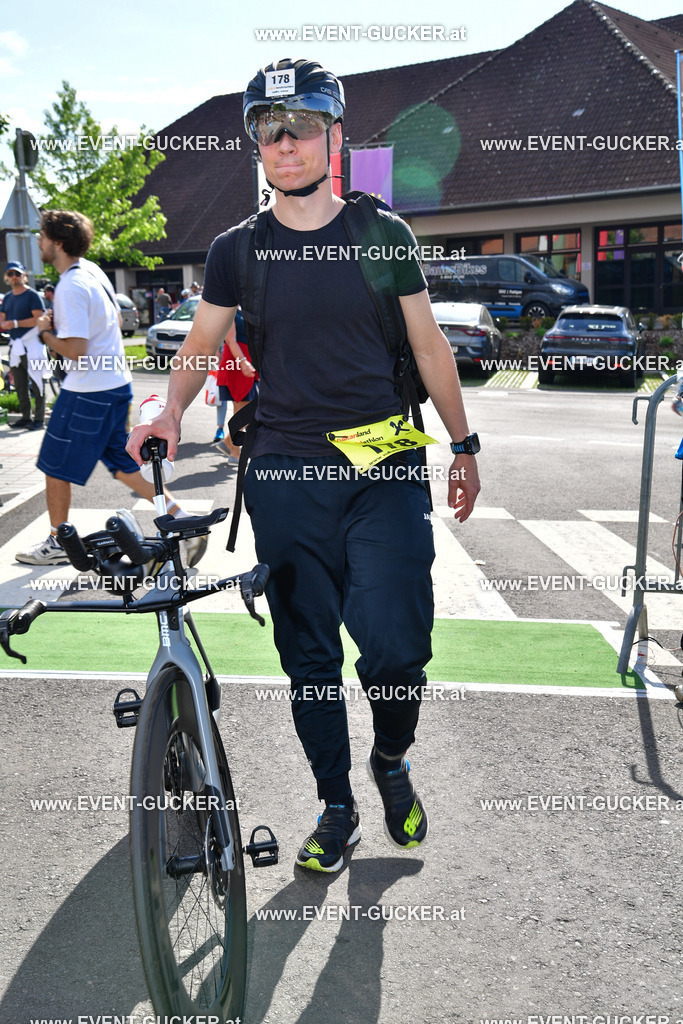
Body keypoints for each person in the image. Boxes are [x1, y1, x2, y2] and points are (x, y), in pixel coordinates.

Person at [126, 58, 480, 874]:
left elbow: (427, 344)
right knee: (309, 655)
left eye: (299, 129)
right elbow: (202, 344)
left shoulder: (379, 234)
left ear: (333, 136)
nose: (282, 145)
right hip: (284, 468)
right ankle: (335, 803)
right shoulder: (234, 249)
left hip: (382, 457)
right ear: (256, 144)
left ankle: (389, 758)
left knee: (395, 646)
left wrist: (462, 447)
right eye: (267, 131)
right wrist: (170, 408)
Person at [15, 209, 207, 569]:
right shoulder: (93, 272)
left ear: (57, 242)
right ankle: (184, 523)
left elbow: (76, 350)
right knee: (123, 466)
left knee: (55, 466)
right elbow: (116, 321)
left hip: (87, 391)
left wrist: (44, 331)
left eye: (41, 236)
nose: (38, 242)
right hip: (115, 386)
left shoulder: (71, 284)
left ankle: (58, 541)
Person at [0, 261, 46, 430]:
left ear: (23, 276)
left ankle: (39, 419)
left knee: (37, 382)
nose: (14, 277)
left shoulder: (32, 295)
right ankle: (26, 417)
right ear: (6, 277)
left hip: (32, 345)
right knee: (19, 384)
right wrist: (4, 322)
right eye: (10, 274)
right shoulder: (8, 298)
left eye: (17, 274)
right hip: (16, 346)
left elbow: (39, 319)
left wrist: (15, 323)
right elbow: (2, 317)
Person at [213, 308, 258, 454]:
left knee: (240, 410)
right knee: (249, 409)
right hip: (237, 363)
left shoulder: (249, 310)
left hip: (247, 362)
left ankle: (233, 450)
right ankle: (230, 445)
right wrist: (243, 362)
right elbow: (230, 339)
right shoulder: (230, 310)